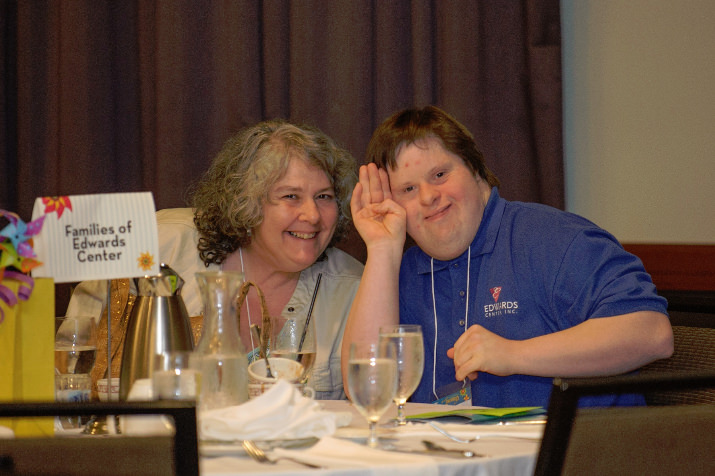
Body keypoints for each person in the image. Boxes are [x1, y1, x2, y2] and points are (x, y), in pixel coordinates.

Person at [342, 105, 673, 408]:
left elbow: (652, 334)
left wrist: (513, 354)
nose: (429, 196)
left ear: (476, 172)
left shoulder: (552, 239)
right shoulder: (400, 271)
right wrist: (382, 250)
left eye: (440, 175)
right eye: (408, 190)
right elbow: (369, 394)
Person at [68, 119, 363, 400]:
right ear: (246, 202)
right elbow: (71, 360)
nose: (312, 215)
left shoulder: (354, 288)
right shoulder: (158, 244)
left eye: (324, 197)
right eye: (290, 196)